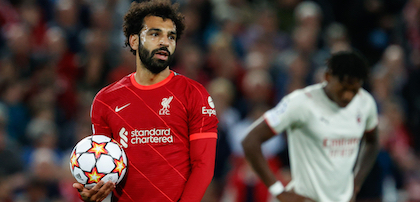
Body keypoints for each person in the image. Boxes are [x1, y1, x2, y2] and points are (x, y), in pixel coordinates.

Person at [72, 0, 219, 201]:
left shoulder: (194, 94)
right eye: (155, 34)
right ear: (134, 41)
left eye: (171, 36)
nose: (165, 42)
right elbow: (103, 168)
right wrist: (93, 196)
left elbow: (203, 166)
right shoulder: (105, 100)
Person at [242, 51, 380, 202]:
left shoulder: (365, 103)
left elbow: (372, 141)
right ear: (328, 77)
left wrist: (356, 184)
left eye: (354, 90)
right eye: (343, 88)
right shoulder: (301, 103)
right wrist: (279, 191)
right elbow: (250, 141)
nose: (347, 96)